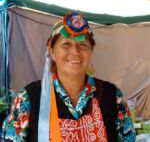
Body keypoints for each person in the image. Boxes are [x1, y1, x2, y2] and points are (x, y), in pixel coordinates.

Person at [1, 11, 136, 142]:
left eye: (82, 45)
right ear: (52, 51)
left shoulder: (113, 96)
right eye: (66, 44)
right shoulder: (29, 98)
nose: (75, 51)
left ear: (91, 51)